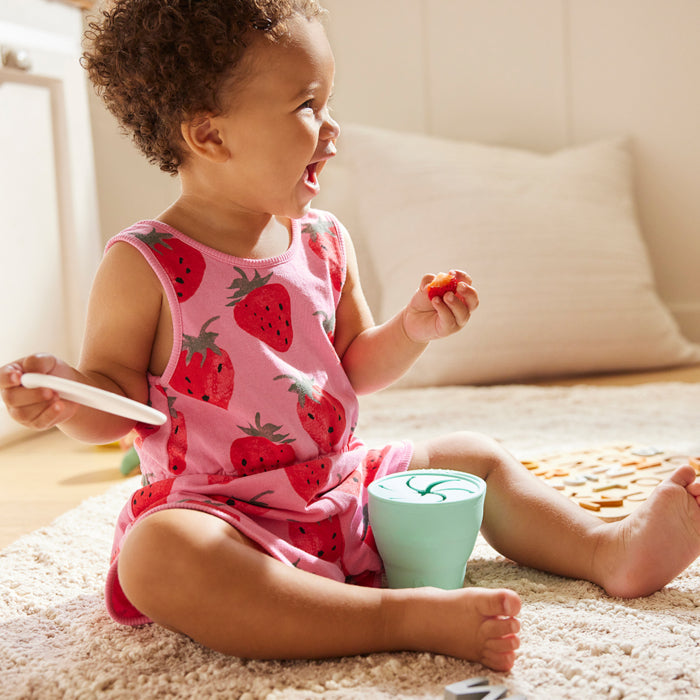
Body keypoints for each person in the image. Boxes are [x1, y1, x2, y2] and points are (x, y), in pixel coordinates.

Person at [1, 0, 699, 673]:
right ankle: (397, 618)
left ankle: (609, 550)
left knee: (473, 455)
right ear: (210, 135)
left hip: (344, 486)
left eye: (327, 102)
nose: (332, 128)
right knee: (155, 557)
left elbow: (354, 366)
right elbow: (118, 400)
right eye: (308, 106)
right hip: (225, 517)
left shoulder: (325, 241)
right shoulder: (143, 264)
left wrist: (412, 328)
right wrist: (67, 401)